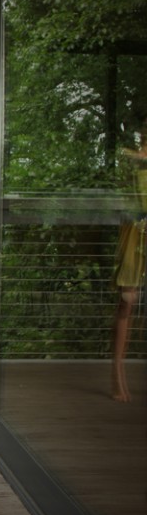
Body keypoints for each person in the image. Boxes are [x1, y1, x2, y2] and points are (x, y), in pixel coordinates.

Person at [110, 118, 147, 402]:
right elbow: (126, 198)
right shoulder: (131, 160)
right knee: (128, 300)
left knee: (132, 303)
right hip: (135, 233)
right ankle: (117, 374)